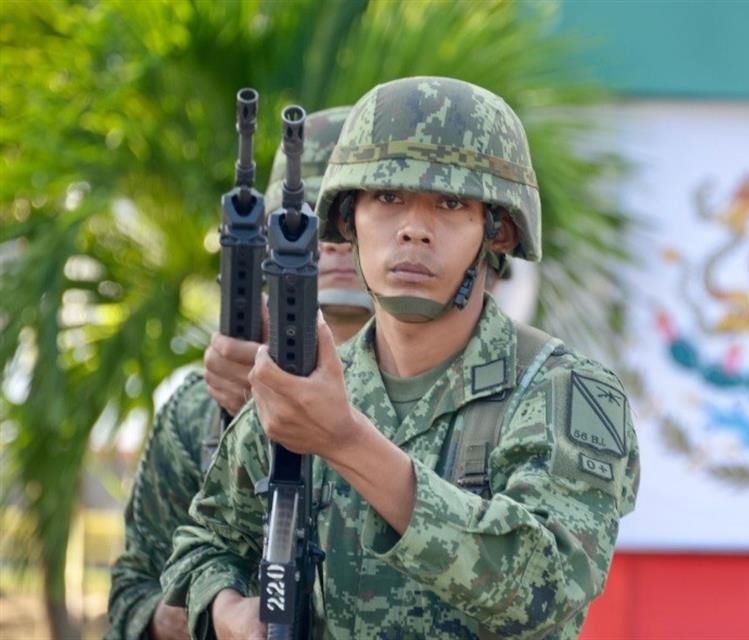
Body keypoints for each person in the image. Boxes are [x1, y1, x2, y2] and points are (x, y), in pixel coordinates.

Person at [163, 76, 641, 640]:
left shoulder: (562, 392)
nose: (414, 229)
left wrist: (344, 441)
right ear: (348, 220)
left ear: (499, 231)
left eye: (450, 203)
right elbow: (204, 543)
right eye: (388, 198)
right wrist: (228, 612)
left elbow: (543, 588)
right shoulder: (306, 386)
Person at [107, 106, 371, 640]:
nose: (335, 244)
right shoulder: (198, 410)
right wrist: (213, 611)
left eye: (351, 218)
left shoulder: (442, 399)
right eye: (309, 221)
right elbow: (130, 598)